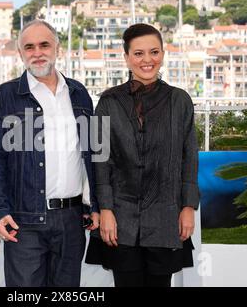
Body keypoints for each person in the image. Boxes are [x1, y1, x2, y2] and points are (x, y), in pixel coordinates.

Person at [0, 20, 100, 287]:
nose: (37, 52)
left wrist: (96, 204)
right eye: (29, 47)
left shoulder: (80, 94)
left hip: (72, 220)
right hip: (24, 220)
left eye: (44, 44)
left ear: (57, 48)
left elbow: (94, 153)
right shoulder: (3, 97)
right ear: (20, 53)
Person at [85, 23, 199, 287]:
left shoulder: (179, 101)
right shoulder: (108, 102)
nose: (147, 60)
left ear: (163, 54)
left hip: (165, 217)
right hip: (121, 219)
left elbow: (189, 157)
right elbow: (100, 159)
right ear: (126, 57)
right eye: (138, 53)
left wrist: (188, 207)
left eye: (154, 52)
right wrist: (106, 209)